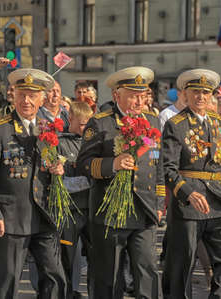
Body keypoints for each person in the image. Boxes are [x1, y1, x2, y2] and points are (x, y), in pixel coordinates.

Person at [0, 68, 67, 299]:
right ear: (13, 96)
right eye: (21, 94)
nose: (26, 100)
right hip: (12, 218)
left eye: (31, 95)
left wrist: (58, 169)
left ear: (42, 98)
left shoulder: (48, 129)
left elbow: (50, 166)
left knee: (55, 277)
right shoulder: (0, 130)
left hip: (43, 216)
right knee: (7, 280)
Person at [77, 66, 164, 299]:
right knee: (109, 275)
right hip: (110, 211)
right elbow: (83, 163)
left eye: (142, 95)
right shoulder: (101, 122)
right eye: (133, 95)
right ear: (117, 96)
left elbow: (158, 163)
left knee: (147, 270)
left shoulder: (152, 120)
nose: (139, 101)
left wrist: (160, 201)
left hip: (144, 208)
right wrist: (112, 164)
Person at [162, 69, 221, 299]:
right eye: (196, 92)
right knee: (181, 264)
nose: (201, 97)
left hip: (218, 202)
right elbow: (168, 168)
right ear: (185, 94)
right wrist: (187, 193)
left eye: (206, 93)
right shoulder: (176, 124)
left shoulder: (219, 123)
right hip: (189, 204)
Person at [58, 101, 93, 299]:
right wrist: (89, 181)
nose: (86, 130)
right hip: (69, 211)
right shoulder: (60, 142)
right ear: (69, 119)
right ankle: (68, 293)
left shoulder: (93, 143)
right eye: (81, 125)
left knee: (96, 258)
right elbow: (60, 182)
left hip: (91, 209)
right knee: (67, 258)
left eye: (88, 126)